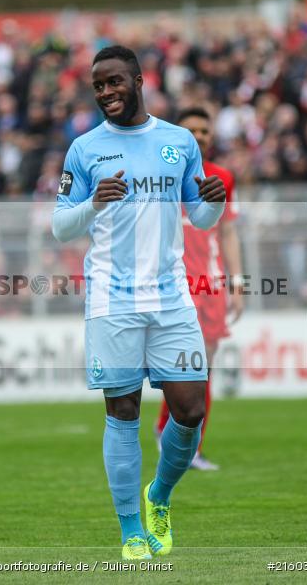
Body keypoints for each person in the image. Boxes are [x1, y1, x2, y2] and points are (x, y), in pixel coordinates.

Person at [51, 46, 226, 561]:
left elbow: (201, 218)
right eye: (97, 86)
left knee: (190, 409)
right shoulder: (84, 149)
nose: (105, 92)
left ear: (139, 80)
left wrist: (212, 201)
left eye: (114, 82)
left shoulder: (177, 142)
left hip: (171, 296)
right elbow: (61, 226)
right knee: (123, 410)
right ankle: (131, 531)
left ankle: (159, 496)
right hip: (111, 299)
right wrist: (93, 202)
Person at [155, 107, 243, 470]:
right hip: (172, 282)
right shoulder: (162, 175)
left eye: (204, 130)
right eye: (191, 129)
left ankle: (187, 444)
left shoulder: (222, 177)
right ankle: (169, 433)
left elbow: (228, 231)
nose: (200, 136)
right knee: (180, 367)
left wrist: (236, 282)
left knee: (202, 368)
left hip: (209, 284)